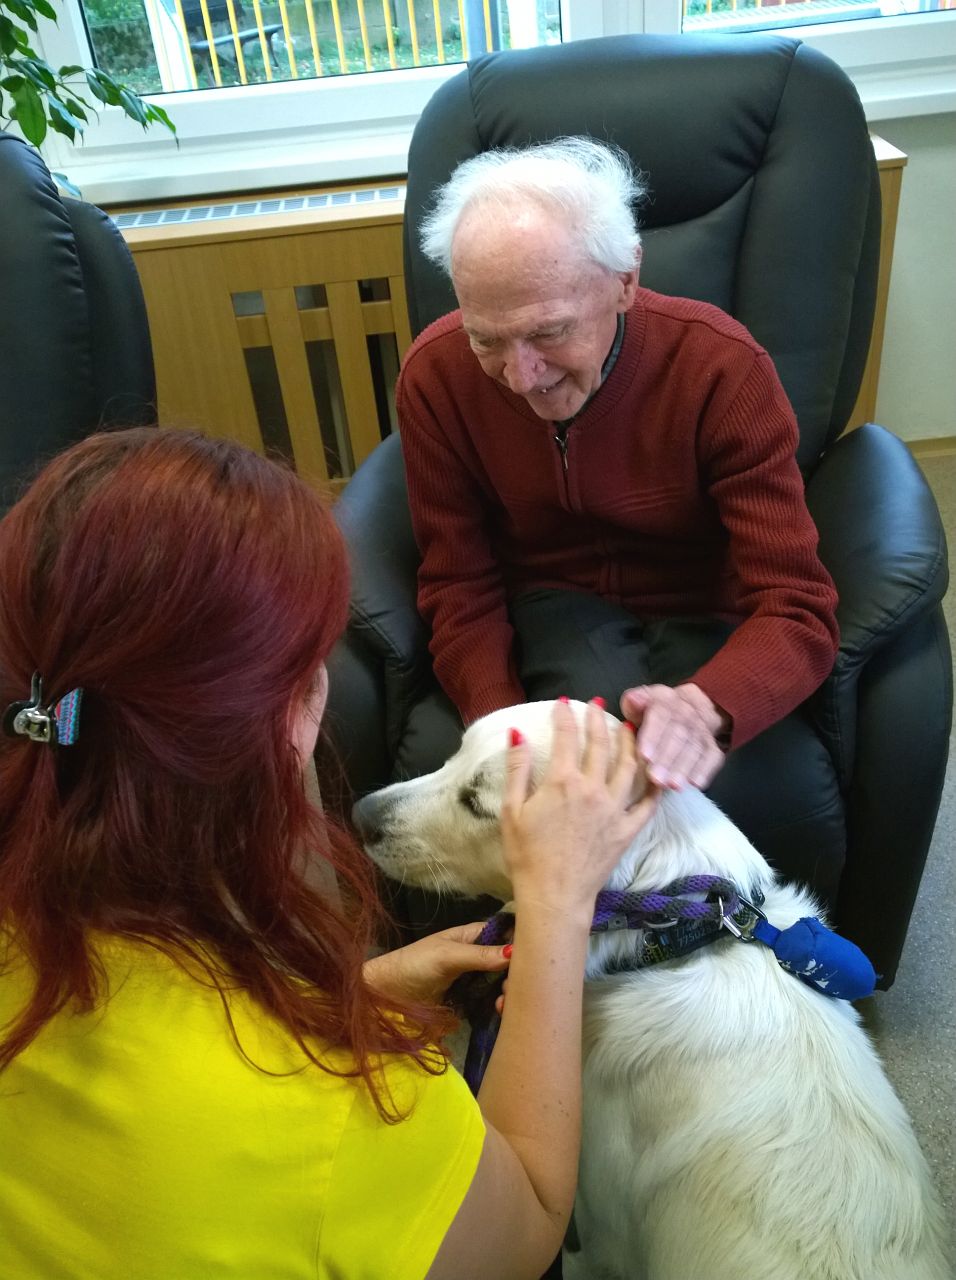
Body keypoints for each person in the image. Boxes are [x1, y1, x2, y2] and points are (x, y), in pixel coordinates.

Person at [0, 427, 657, 1280]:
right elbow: (526, 1221)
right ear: (269, 727)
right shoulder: (342, 1110)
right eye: (318, 665)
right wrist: (559, 902)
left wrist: (355, 992)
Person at [399, 135, 839, 798]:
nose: (521, 377)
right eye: (486, 339)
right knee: (581, 787)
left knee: (696, 791)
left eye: (549, 331)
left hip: (703, 606)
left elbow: (797, 603)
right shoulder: (436, 378)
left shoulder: (722, 369)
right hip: (551, 610)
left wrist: (707, 707)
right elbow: (458, 584)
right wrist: (499, 726)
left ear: (626, 281)